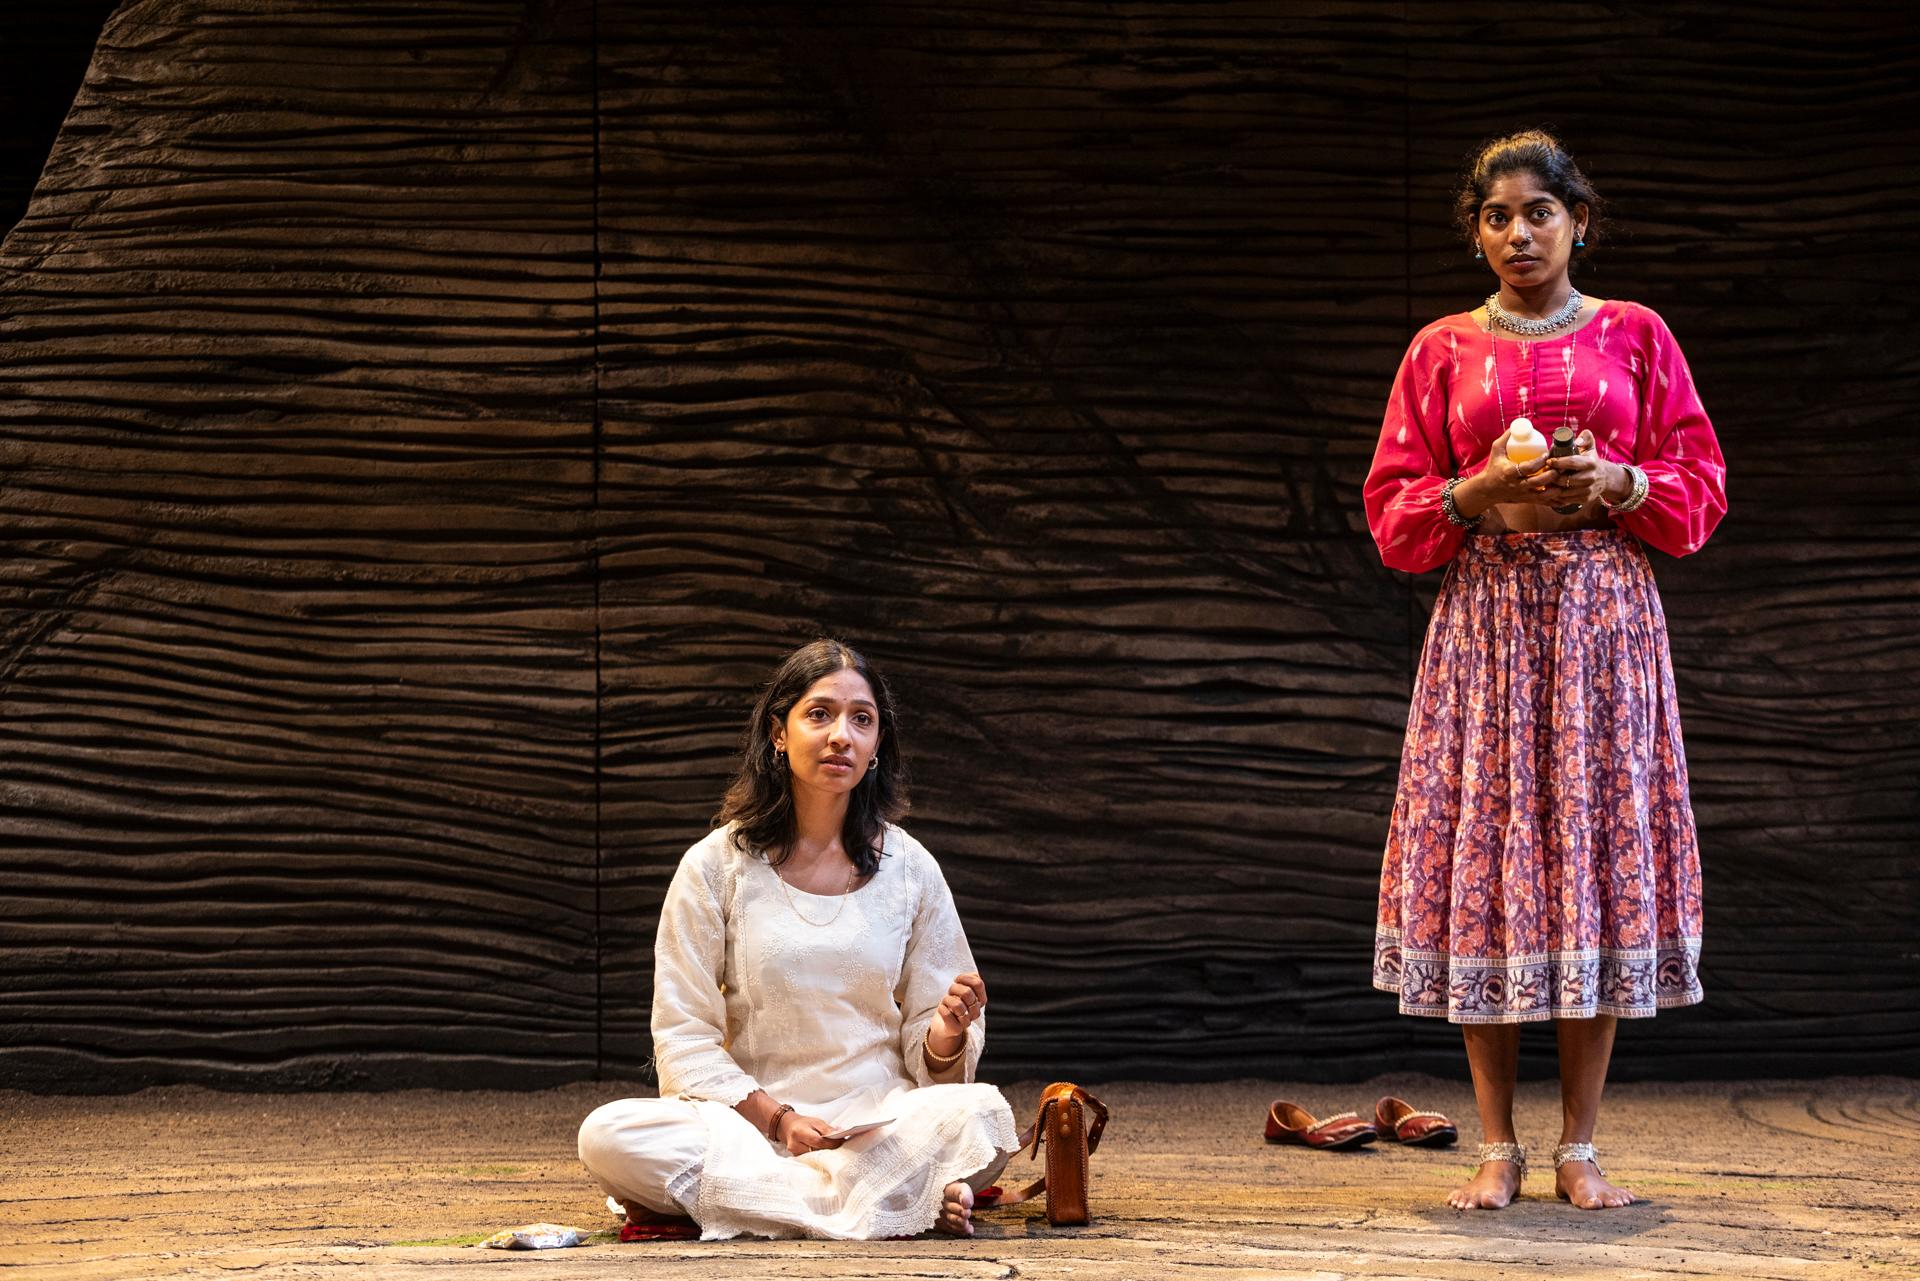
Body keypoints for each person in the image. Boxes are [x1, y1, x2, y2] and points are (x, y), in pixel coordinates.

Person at [1362, 130, 1727, 1212]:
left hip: (1603, 622)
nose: (1519, 233)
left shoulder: (1635, 334)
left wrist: (1619, 481)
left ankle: (1579, 1143)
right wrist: (1476, 491)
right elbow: (1393, 510)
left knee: (1590, 856)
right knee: (1493, 856)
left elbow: (1699, 481)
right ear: (1477, 234)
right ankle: (1496, 1142)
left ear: (1579, 223)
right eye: (1497, 217)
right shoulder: (1440, 348)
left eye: (1539, 213)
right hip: (1488, 621)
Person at [576, 639, 1019, 1239]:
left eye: (861, 720)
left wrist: (946, 1034)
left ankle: (781, 1201)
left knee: (983, 1115)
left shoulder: (910, 867)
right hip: (751, 1129)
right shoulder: (715, 867)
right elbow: (683, 1038)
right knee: (607, 1135)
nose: (841, 736)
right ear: (778, 733)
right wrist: (780, 1120)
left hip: (880, 1125)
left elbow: (935, 1050)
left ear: (877, 745)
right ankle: (889, 1199)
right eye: (819, 714)